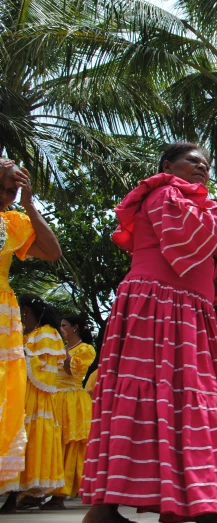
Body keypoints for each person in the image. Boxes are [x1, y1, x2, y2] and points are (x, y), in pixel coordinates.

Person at [80, 143, 217, 523]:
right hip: (157, 305)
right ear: (169, 165)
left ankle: (196, 503)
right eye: (193, 161)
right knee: (156, 397)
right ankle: (121, 508)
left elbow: (215, 278)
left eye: (207, 164)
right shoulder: (163, 193)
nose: (202, 168)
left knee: (187, 403)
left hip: (189, 311)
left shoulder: (204, 212)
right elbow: (184, 244)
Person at [0, 159, 62, 499]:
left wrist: (28, 205)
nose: (6, 196)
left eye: (11, 190)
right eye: (3, 188)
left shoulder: (12, 222)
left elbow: (52, 251)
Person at [0, 295, 66, 512]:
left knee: (26, 444)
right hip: (19, 392)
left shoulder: (47, 333)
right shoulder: (26, 334)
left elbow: (48, 371)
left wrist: (24, 356)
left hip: (36, 398)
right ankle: (14, 494)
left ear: (26, 310)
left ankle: (15, 495)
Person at [40, 314, 97, 510]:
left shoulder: (86, 349)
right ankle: (39, 490)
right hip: (52, 397)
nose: (61, 328)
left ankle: (59, 494)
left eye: (64, 325)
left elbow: (73, 371)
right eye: (60, 325)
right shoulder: (55, 347)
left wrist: (61, 348)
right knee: (50, 443)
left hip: (72, 400)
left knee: (68, 445)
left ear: (75, 328)